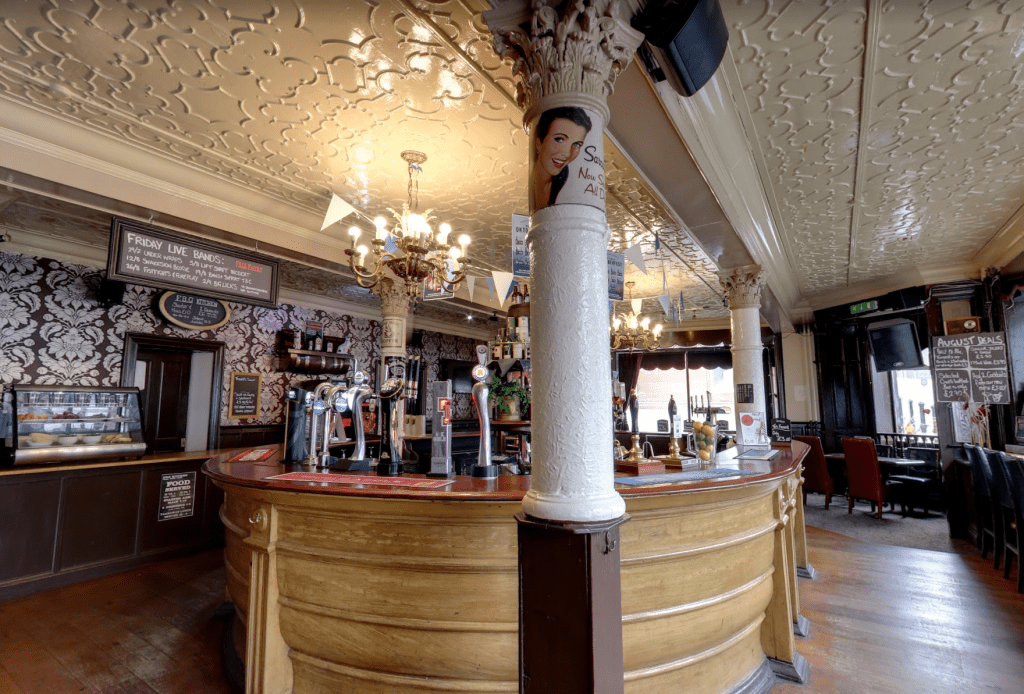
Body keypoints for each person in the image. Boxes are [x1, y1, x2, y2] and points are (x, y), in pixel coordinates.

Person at [531, 106, 592, 211]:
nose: (567, 154)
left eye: (577, 144)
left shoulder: (562, 176)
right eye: (559, 139)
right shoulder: (528, 185)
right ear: (539, 142)